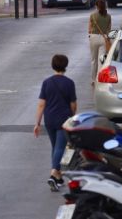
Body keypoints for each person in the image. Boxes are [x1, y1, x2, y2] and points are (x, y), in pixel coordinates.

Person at [33, 54, 77, 192]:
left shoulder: (47, 82)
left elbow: (41, 104)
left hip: (49, 120)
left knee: (55, 147)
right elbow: (73, 104)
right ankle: (53, 174)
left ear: (53, 66)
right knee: (60, 148)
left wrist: (37, 123)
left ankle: (58, 177)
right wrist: (72, 117)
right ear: (65, 66)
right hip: (63, 119)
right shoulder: (69, 83)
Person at [88, 0, 111, 86]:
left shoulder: (92, 15)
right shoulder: (108, 16)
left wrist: (90, 35)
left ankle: (93, 80)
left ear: (97, 6)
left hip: (94, 37)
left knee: (94, 60)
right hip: (103, 38)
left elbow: (89, 29)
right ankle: (99, 78)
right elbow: (109, 29)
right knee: (101, 60)